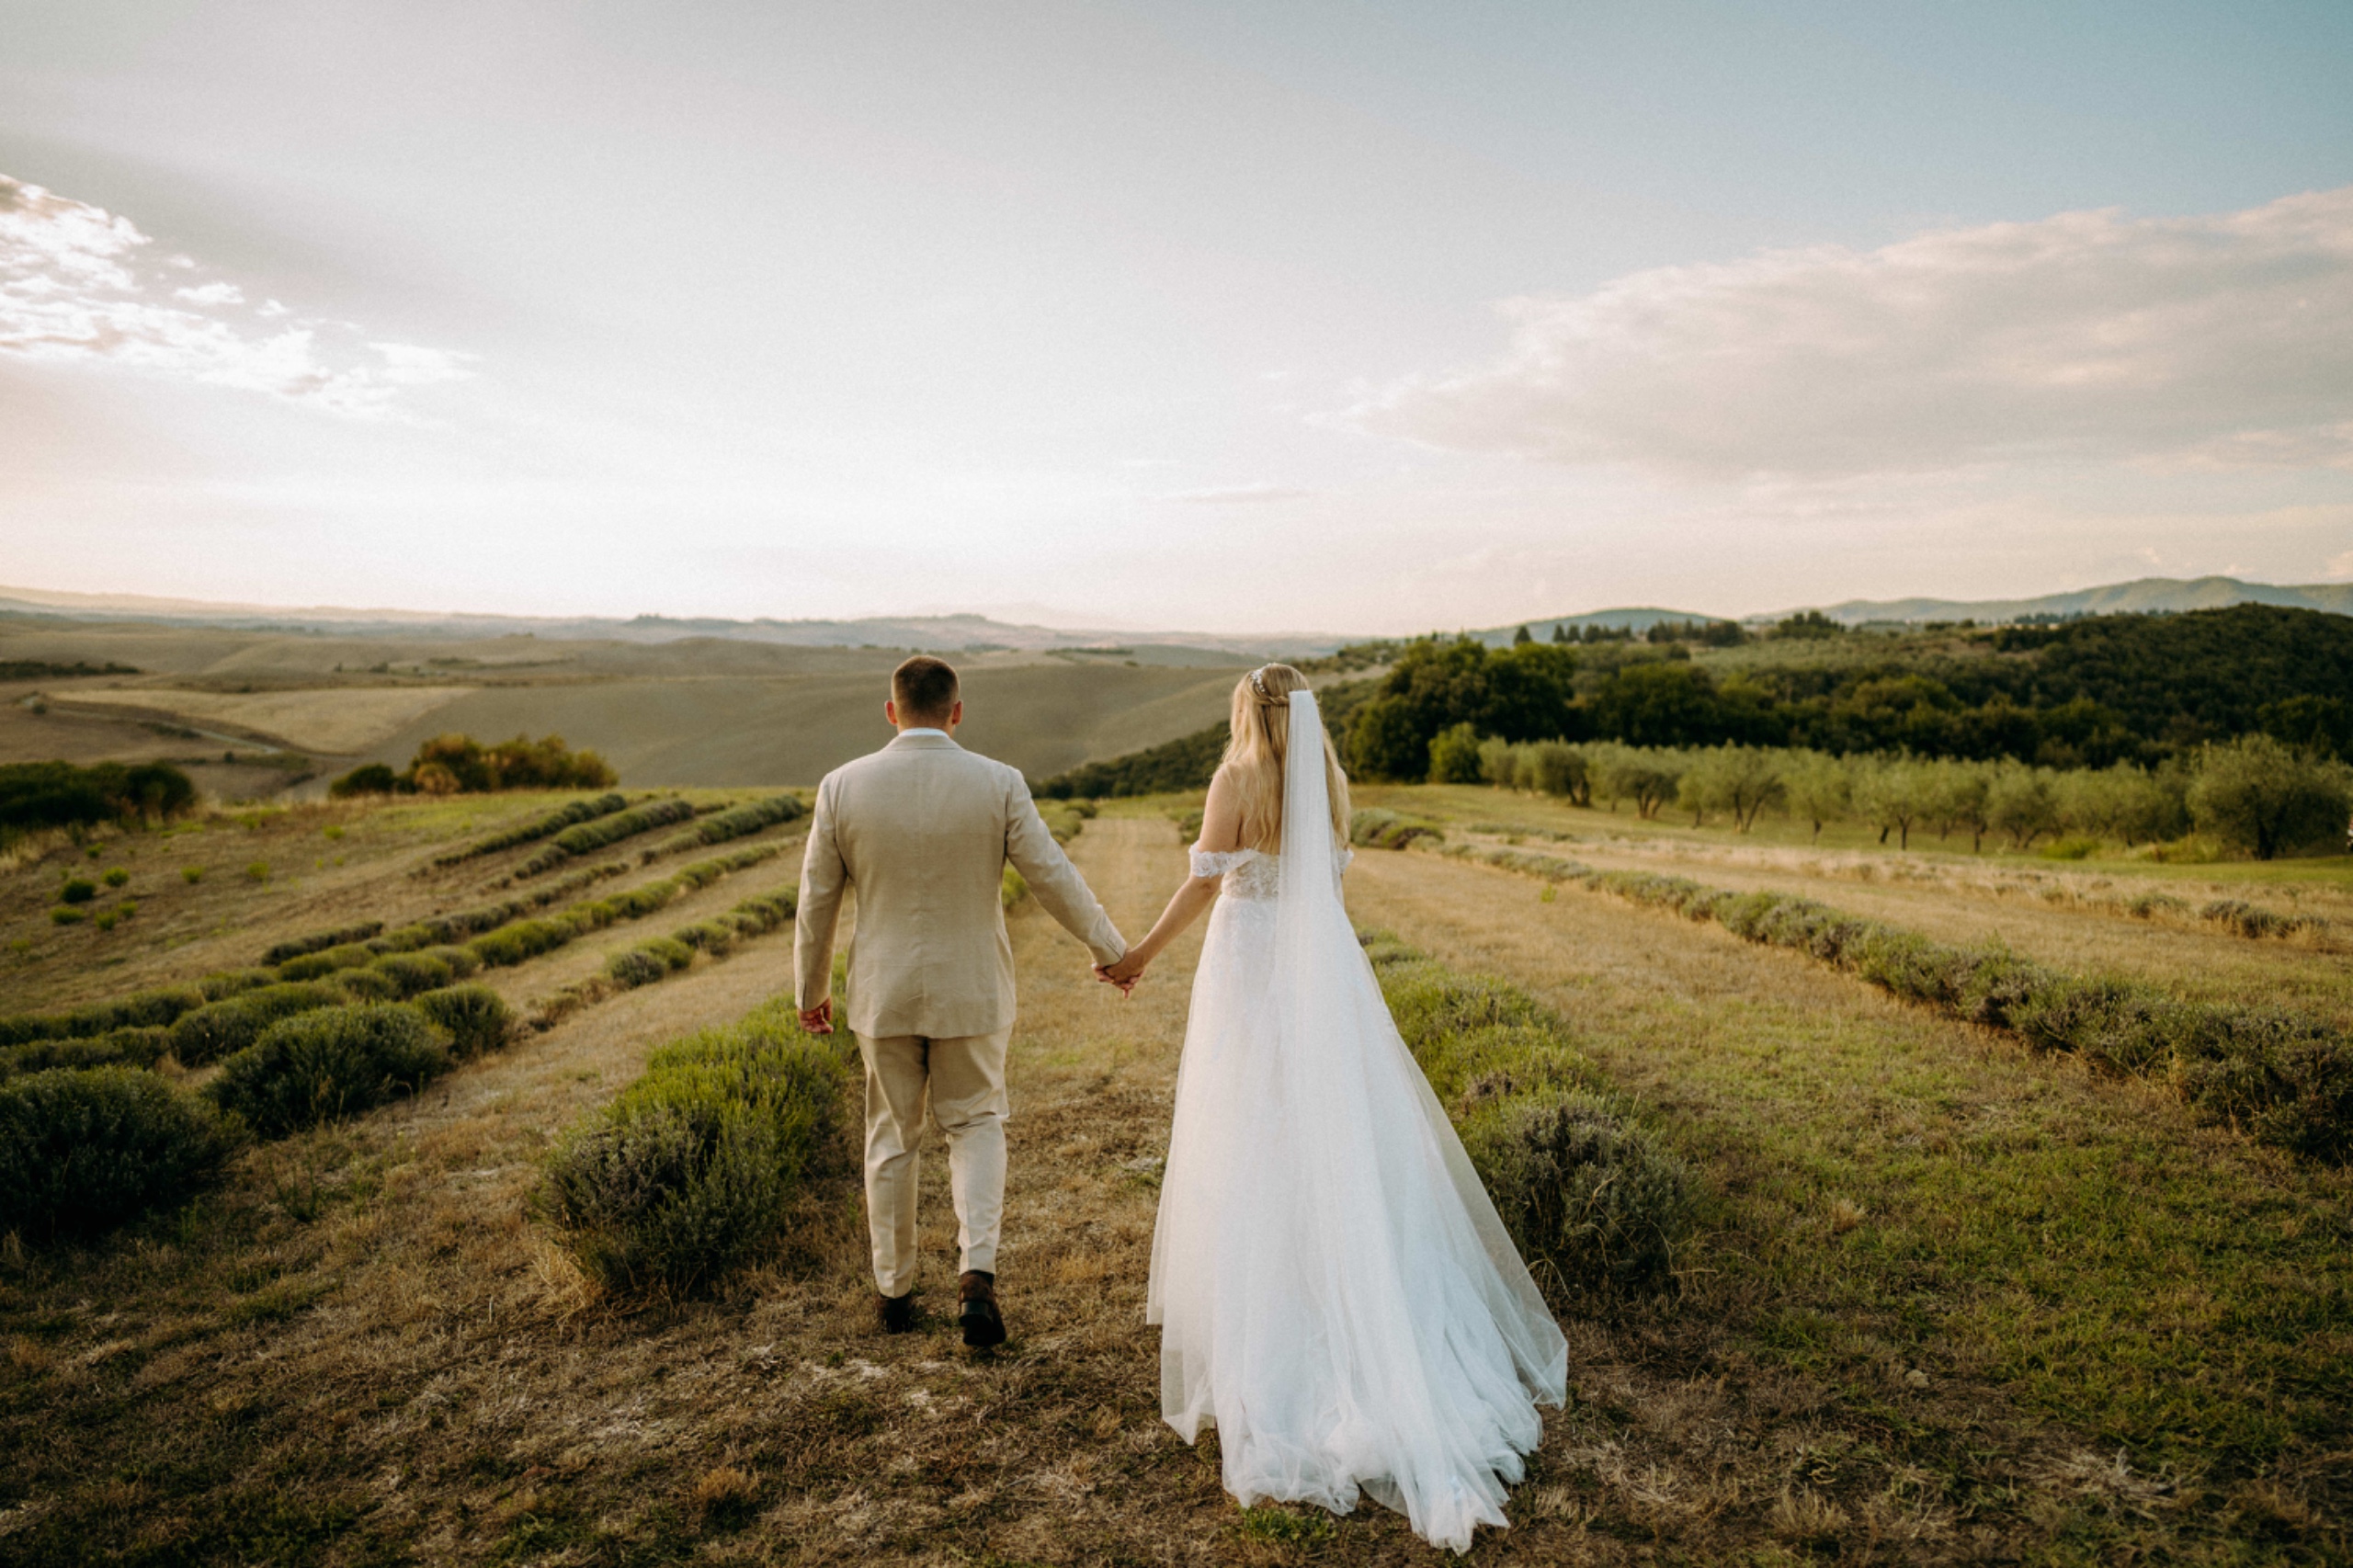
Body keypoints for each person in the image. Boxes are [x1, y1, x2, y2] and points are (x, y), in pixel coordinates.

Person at [1099, 664, 1567, 1552]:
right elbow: (1328, 890)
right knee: (1328, 1127)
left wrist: (1140, 956)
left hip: (1249, 963)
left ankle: (1273, 1322)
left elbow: (1205, 883)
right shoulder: (1329, 780)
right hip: (1319, 966)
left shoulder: (1235, 779)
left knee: (1252, 1128)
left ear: (1249, 710)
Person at [796, 654, 1128, 1348]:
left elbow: (817, 901)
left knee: (892, 1137)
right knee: (976, 1123)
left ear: (891, 711)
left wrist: (811, 991)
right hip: (972, 989)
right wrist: (1109, 948)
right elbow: (1052, 875)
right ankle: (976, 1277)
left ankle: (894, 1292)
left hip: (882, 993)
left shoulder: (841, 786)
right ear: (957, 711)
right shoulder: (998, 782)